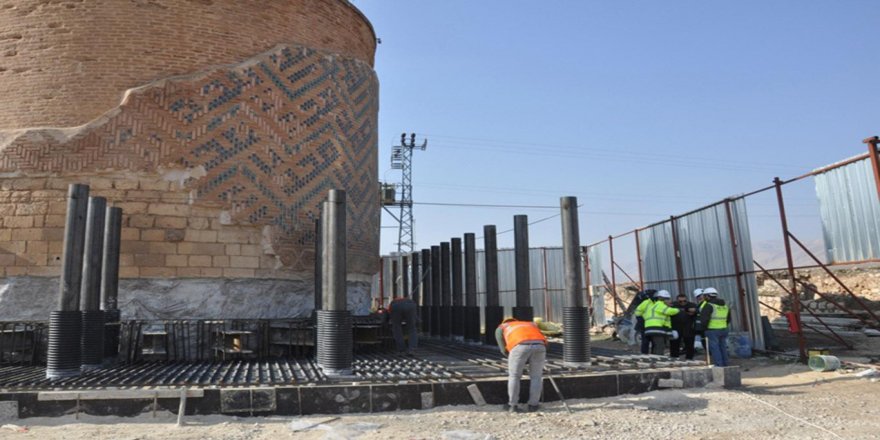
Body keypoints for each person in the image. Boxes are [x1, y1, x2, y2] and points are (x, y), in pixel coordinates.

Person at [495, 318, 547, 413]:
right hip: (540, 346)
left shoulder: (501, 327)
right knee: (536, 377)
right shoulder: (530, 324)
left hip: (519, 346)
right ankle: (533, 405)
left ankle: (512, 405)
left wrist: (514, 359)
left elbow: (503, 350)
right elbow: (544, 341)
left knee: (514, 376)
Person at [697, 287, 731, 367]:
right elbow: (728, 319)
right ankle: (725, 364)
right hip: (724, 329)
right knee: (723, 347)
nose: (704, 297)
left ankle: (719, 364)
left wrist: (704, 329)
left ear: (708, 296)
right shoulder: (724, 306)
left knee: (715, 348)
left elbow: (704, 319)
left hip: (712, 330)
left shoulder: (709, 306)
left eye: (704, 296)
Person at [643, 290, 680, 356]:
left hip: (650, 328)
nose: (669, 301)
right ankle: (659, 359)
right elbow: (670, 311)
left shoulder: (655, 305)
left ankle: (654, 358)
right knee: (660, 345)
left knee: (656, 345)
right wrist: (679, 310)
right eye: (668, 299)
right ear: (663, 299)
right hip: (656, 328)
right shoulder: (660, 304)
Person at [670, 292, 698, 360]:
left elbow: (695, 311)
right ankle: (674, 358)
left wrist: (688, 310)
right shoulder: (673, 305)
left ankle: (689, 358)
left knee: (689, 344)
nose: (682, 303)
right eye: (680, 301)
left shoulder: (691, 304)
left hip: (688, 327)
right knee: (674, 344)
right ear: (677, 300)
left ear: (687, 300)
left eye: (684, 301)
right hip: (676, 327)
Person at [633, 289, 657, 354]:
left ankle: (653, 355)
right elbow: (637, 312)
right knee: (645, 341)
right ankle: (644, 355)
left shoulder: (657, 303)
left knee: (654, 342)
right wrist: (642, 321)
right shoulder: (646, 303)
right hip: (645, 325)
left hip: (653, 325)